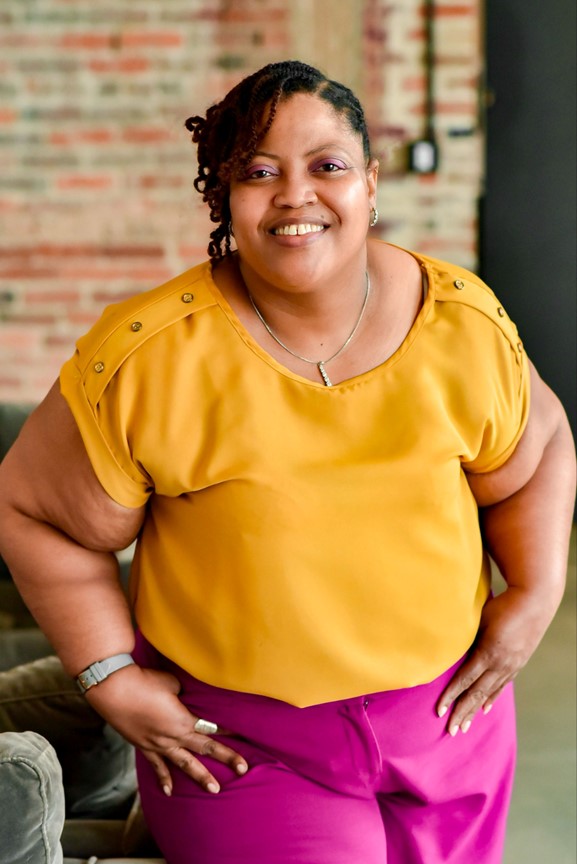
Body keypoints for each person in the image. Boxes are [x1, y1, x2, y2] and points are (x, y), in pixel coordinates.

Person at [0, 59, 574, 864]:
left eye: (326, 166)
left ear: (369, 182)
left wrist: (537, 590)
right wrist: (109, 678)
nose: (294, 195)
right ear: (223, 196)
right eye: (259, 172)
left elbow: (538, 445)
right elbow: (32, 510)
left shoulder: (460, 325)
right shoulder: (151, 358)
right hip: (245, 750)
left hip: (451, 730)